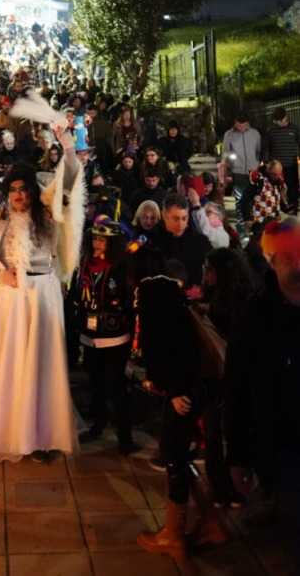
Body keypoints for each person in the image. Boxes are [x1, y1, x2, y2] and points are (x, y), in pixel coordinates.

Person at [0, 124, 85, 462]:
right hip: (9, 299)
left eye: (23, 189)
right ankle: (5, 432)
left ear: (32, 190)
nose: (18, 196)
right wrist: (0, 271)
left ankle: (42, 436)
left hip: (44, 295)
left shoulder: (49, 213)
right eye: (12, 190)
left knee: (42, 363)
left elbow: (69, 179)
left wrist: (67, 145)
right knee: (9, 362)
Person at [135, 276, 229, 561]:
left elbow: (177, 363)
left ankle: (173, 535)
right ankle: (211, 523)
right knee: (181, 459)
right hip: (199, 393)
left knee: (174, 459)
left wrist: (175, 392)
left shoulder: (166, 326)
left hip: (185, 399)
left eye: (140, 299)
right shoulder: (184, 316)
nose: (136, 303)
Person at [226, 220, 300, 567]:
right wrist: (238, 454)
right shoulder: (255, 315)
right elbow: (237, 386)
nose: (297, 260)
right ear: (272, 260)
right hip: (278, 442)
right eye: (288, 255)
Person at [76, 216, 136, 452]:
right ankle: (98, 424)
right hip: (89, 335)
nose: (97, 244)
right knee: (95, 384)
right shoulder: (85, 263)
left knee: (117, 386)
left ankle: (125, 437)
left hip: (115, 336)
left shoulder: (122, 266)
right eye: (95, 239)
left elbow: (128, 301)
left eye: (103, 240)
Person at [150, 193, 211, 292]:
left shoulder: (200, 242)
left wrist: (200, 289)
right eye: (176, 218)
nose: (180, 224)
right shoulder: (151, 241)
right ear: (164, 215)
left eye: (184, 218)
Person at [221, 114, 262, 231]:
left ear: (248, 123)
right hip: (237, 171)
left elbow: (258, 151)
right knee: (241, 198)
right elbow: (226, 153)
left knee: (253, 197)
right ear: (235, 123)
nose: (241, 128)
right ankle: (243, 225)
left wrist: (257, 164)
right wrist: (227, 171)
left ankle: (253, 223)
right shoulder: (229, 134)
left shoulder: (255, 134)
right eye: (239, 125)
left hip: (253, 171)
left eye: (244, 125)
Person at [265, 106, 299, 214]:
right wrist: (267, 162)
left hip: (291, 165)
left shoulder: (295, 129)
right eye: (278, 122)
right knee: (277, 189)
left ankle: (293, 209)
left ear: (286, 117)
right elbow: (266, 148)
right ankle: (278, 210)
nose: (281, 123)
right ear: (275, 121)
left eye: (282, 120)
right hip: (276, 168)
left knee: (292, 188)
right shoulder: (271, 131)